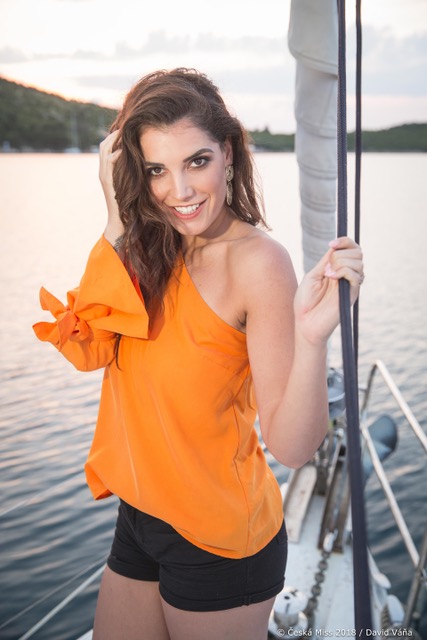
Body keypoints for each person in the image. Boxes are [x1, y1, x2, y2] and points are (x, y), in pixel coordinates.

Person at [33, 68, 364, 640]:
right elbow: (89, 350)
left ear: (228, 154)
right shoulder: (143, 247)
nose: (180, 192)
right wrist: (114, 217)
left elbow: (291, 447)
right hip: (141, 515)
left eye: (197, 161)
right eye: (156, 170)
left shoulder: (257, 263)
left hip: (219, 540)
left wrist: (312, 340)